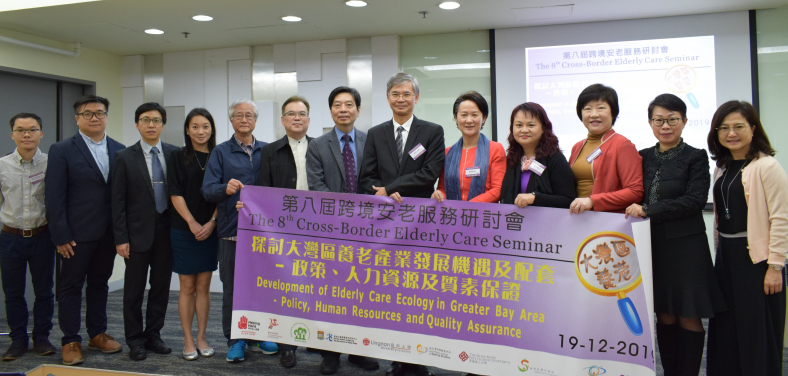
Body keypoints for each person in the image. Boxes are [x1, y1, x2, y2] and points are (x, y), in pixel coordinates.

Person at [624, 94, 725, 376]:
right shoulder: (641, 156)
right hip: (651, 244)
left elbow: (693, 201)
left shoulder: (695, 156)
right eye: (659, 120)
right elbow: (631, 191)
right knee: (664, 314)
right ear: (650, 122)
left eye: (672, 120)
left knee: (688, 314)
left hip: (686, 247)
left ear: (684, 121)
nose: (665, 125)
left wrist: (648, 209)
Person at [357, 72, 443, 376]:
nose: (401, 99)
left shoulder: (432, 131)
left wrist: (393, 188)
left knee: (418, 293)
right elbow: (365, 178)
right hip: (384, 226)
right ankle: (396, 357)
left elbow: (429, 173)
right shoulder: (376, 133)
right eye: (395, 93)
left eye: (407, 94)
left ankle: (417, 361)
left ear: (416, 98)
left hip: (419, 225)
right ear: (388, 98)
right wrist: (380, 192)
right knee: (391, 293)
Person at [705, 100, 787, 376]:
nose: (731, 133)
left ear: (753, 129)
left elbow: (781, 218)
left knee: (755, 330)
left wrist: (775, 266)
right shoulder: (723, 167)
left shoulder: (767, 166)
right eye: (724, 128)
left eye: (739, 126)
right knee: (727, 327)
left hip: (756, 260)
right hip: (727, 255)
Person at [45, 95, 125, 365]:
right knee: (70, 286)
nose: (94, 117)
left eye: (99, 113)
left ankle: (97, 333)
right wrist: (61, 235)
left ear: (106, 116)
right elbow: (53, 196)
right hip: (75, 236)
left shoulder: (119, 149)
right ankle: (70, 340)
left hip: (108, 233)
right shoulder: (62, 149)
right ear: (77, 118)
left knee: (99, 284)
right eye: (87, 113)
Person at [305, 86, 380, 374]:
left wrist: (362, 218)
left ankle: (360, 351)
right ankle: (331, 352)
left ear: (358, 110)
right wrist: (343, 219)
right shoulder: (318, 145)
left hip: (367, 232)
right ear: (331, 110)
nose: (344, 109)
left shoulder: (370, 141)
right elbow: (317, 187)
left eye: (349, 104)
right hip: (331, 232)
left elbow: (376, 183)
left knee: (363, 294)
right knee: (330, 295)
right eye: (337, 105)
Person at [236, 95, 313, 368]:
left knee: (315, 287)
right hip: (283, 234)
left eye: (302, 113)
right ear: (282, 120)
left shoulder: (321, 148)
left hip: (317, 232)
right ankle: (287, 346)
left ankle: (316, 339)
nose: (296, 118)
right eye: (291, 113)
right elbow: (263, 192)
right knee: (287, 289)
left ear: (308, 118)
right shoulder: (270, 152)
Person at [201, 99, 277, 363]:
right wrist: (226, 189)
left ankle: (257, 334)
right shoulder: (220, 152)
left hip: (265, 235)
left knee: (262, 288)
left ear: (256, 120)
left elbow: (277, 191)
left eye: (249, 115)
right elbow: (208, 190)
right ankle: (235, 339)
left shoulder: (268, 151)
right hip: (232, 232)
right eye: (238, 115)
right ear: (231, 120)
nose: (244, 119)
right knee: (233, 289)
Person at [111, 102, 177, 361]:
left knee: (160, 287)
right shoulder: (124, 157)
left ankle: (153, 334)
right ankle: (134, 339)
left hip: (167, 231)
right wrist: (120, 238)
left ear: (163, 124)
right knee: (134, 291)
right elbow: (117, 202)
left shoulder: (175, 154)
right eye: (146, 120)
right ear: (137, 124)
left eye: (157, 120)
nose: (151, 125)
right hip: (135, 234)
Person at [0, 113, 57, 361]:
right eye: (20, 130)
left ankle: (41, 337)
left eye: (32, 130)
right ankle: (18, 340)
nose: (26, 134)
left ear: (41, 134)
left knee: (44, 291)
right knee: (13, 293)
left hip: (42, 236)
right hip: (10, 238)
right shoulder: (1, 165)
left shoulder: (52, 163)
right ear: (12, 134)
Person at [168, 108, 218, 361]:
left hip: (211, 228)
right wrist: (192, 222)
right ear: (187, 130)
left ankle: (202, 337)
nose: (201, 131)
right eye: (195, 126)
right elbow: (174, 192)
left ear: (212, 129)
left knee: (204, 285)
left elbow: (225, 192)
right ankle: (187, 339)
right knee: (187, 286)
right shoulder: (178, 156)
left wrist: (211, 222)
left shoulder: (220, 155)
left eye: (205, 126)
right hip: (183, 228)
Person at [568, 84, 643, 214]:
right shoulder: (577, 146)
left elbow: (635, 191)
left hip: (607, 222)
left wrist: (592, 201)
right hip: (577, 219)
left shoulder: (622, 144)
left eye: (601, 108)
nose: (594, 114)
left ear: (613, 113)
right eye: (587, 109)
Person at [432, 91, 505, 204]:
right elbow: (442, 188)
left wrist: (468, 207)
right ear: (456, 118)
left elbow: (497, 190)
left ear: (484, 118)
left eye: (474, 115)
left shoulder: (495, 149)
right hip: (452, 217)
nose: (469, 120)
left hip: (485, 216)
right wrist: (439, 194)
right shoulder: (448, 153)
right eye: (464, 115)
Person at [500, 102, 575, 208]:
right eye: (519, 125)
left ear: (544, 128)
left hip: (546, 223)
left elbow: (568, 200)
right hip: (514, 221)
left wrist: (535, 198)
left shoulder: (555, 158)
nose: (524, 130)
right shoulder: (512, 159)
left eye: (531, 125)